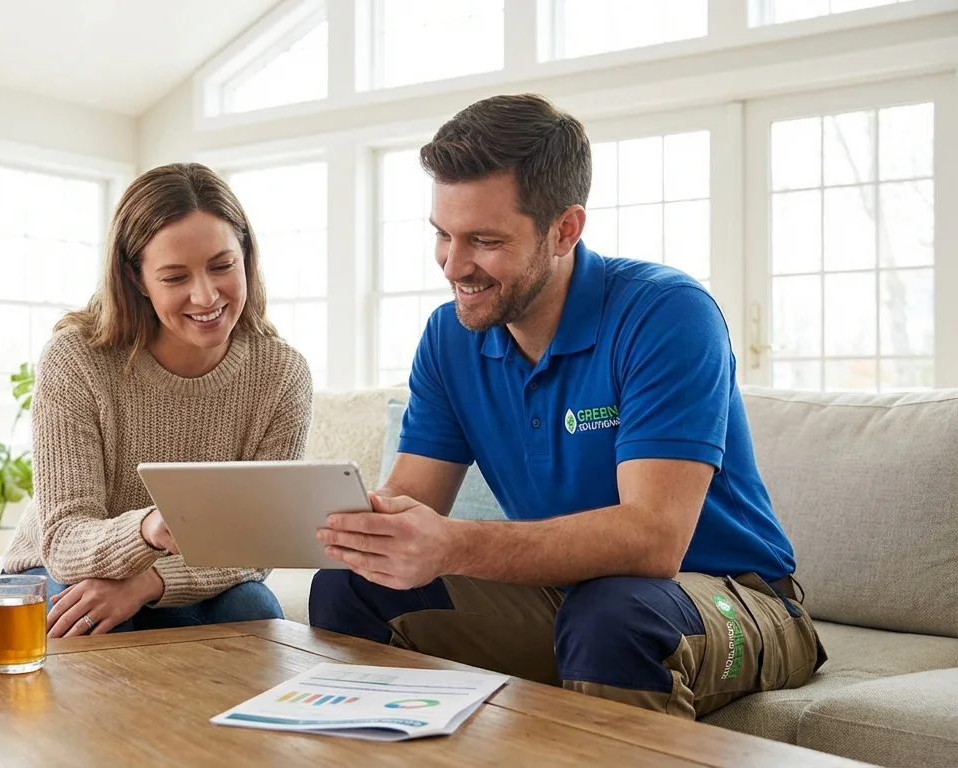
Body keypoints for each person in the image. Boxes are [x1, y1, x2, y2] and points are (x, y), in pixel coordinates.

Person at [308, 94, 825, 719]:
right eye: (442, 234)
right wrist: (357, 530)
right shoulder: (450, 337)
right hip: (569, 597)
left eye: (484, 240)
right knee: (354, 587)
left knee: (616, 617)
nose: (453, 263)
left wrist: (452, 545)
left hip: (731, 597)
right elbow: (413, 499)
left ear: (565, 229)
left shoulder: (666, 314)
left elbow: (653, 539)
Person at [1, 162, 313, 638]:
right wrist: (148, 529)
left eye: (222, 265)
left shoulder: (280, 373)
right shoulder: (77, 359)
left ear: (246, 257)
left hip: (173, 578)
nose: (205, 295)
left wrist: (149, 580)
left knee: (253, 607)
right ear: (136, 279)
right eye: (174, 277)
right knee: (102, 621)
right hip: (57, 568)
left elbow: (254, 545)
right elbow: (63, 540)